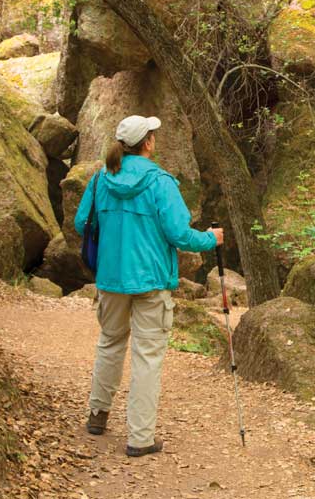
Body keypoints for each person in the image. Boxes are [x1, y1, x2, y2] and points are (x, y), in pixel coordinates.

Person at [74, 114, 223, 457]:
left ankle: (97, 416)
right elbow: (179, 234)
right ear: (147, 143)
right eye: (153, 135)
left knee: (110, 343)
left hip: (111, 278)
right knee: (148, 356)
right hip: (152, 280)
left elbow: (83, 223)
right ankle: (140, 438)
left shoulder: (101, 179)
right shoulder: (161, 182)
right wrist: (211, 239)